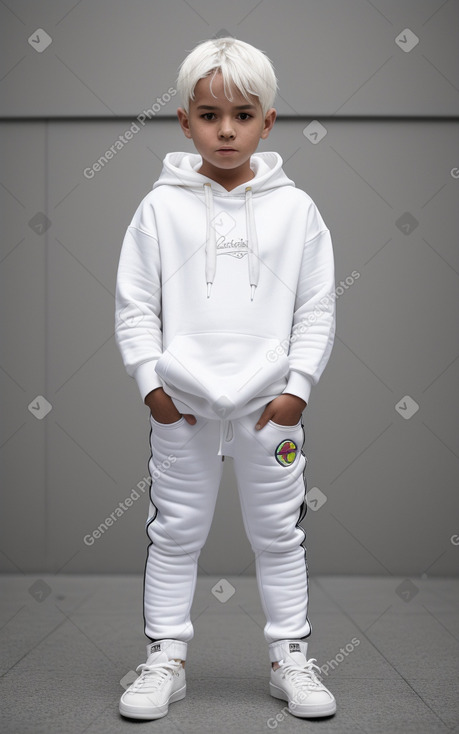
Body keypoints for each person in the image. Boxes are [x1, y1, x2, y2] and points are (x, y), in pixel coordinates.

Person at [115, 36, 337, 721]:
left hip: (270, 408)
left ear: (267, 121)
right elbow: (134, 305)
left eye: (243, 115)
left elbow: (317, 307)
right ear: (185, 121)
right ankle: (165, 660)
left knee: (278, 534)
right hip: (180, 405)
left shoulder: (297, 211)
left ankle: (289, 660)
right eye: (210, 115)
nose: (226, 130)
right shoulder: (158, 208)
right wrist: (152, 388)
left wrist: (295, 390)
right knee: (175, 531)